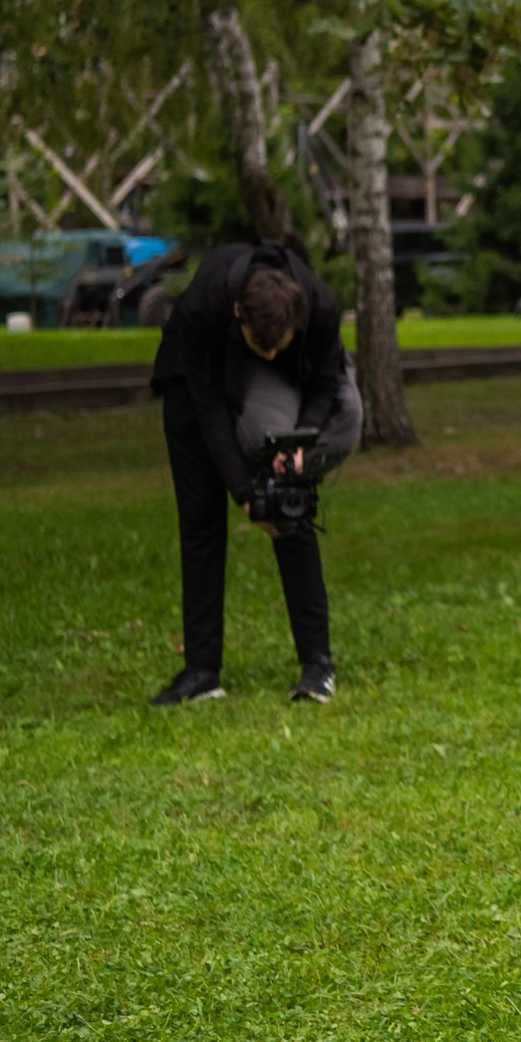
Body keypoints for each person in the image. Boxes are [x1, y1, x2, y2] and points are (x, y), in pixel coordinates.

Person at [148, 240, 361, 707]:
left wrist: (298, 444)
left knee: (287, 502)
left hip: (286, 385)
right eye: (260, 345)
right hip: (191, 381)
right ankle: (202, 672)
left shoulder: (320, 303)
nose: (268, 354)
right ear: (239, 313)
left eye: (277, 346)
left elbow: (325, 382)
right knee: (201, 521)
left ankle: (317, 666)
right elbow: (207, 406)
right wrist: (243, 493)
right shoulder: (209, 299)